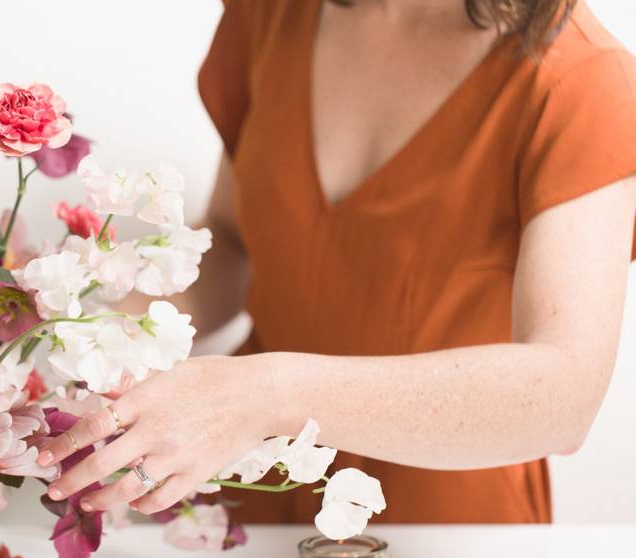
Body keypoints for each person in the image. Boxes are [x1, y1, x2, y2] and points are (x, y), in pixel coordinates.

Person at [36, 0, 636, 524]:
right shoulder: (275, 12)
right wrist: (99, 337)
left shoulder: (583, 78)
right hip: (250, 492)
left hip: (445, 532)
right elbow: (234, 243)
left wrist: (267, 396)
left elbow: (565, 395)